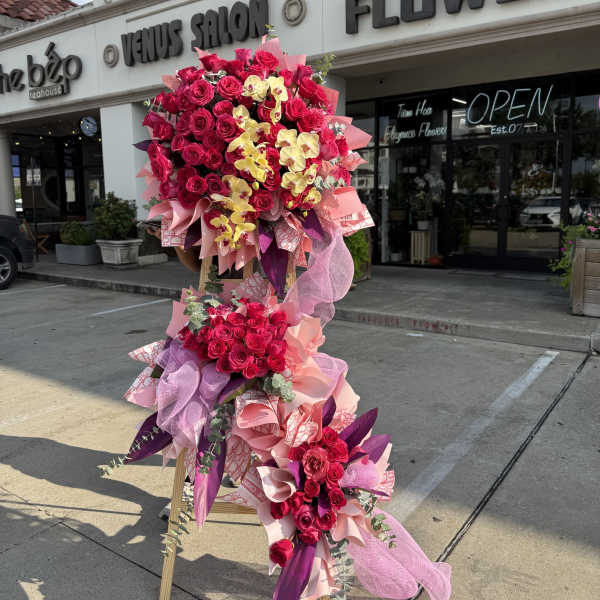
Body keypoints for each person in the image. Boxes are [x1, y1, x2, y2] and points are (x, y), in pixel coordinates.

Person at [145, 224, 237, 520]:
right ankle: (190, 487)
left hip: (262, 316)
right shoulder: (208, 211)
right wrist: (178, 239)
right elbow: (198, 265)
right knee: (199, 407)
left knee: (261, 409)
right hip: (213, 314)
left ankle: (252, 474)